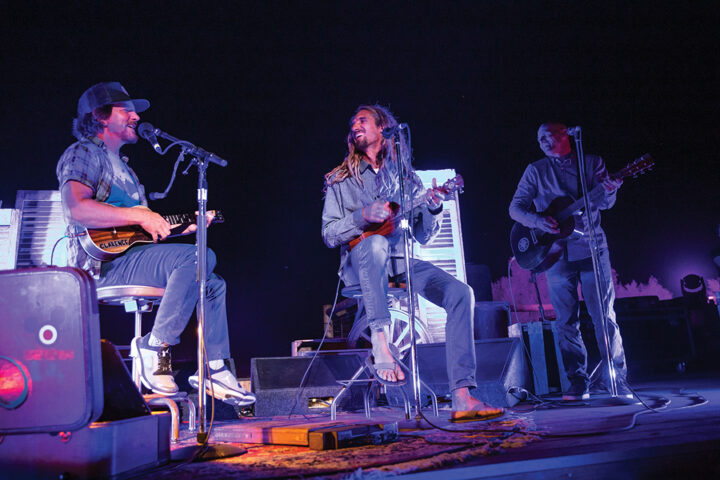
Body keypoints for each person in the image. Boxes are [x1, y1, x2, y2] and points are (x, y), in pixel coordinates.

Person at [56, 82, 255, 406]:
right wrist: (140, 215)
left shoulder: (129, 171)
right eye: (127, 110)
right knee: (198, 257)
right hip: (104, 265)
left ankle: (215, 367)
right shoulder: (83, 153)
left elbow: (138, 231)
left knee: (214, 284)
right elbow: (76, 208)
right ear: (101, 116)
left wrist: (183, 225)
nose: (136, 116)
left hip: (136, 257)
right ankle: (155, 345)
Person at [322, 104, 504, 421]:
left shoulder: (406, 180)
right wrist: (361, 216)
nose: (355, 125)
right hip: (359, 265)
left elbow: (422, 237)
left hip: (402, 263)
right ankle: (380, 342)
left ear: (384, 128)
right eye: (352, 123)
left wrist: (433, 207)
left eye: (362, 120)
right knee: (375, 243)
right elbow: (328, 234)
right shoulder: (341, 179)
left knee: (461, 293)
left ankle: (462, 395)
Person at [509, 122, 631, 400]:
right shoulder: (535, 170)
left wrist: (610, 189)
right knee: (565, 320)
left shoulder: (591, 163)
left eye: (548, 135)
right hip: (554, 255)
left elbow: (606, 203)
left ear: (567, 135)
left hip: (592, 248)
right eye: (539, 138)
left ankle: (617, 379)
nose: (543, 141)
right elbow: (515, 208)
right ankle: (578, 381)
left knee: (604, 316)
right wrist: (538, 220)